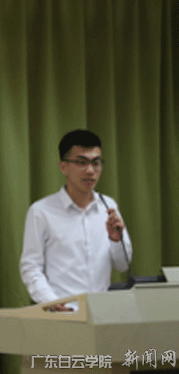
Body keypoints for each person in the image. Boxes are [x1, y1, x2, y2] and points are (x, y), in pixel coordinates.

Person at [20, 129, 132, 310]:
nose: (90, 170)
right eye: (81, 162)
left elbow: (123, 265)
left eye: (96, 163)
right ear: (63, 167)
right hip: (62, 314)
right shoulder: (41, 211)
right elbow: (31, 267)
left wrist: (115, 240)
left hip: (102, 313)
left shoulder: (108, 206)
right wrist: (51, 301)